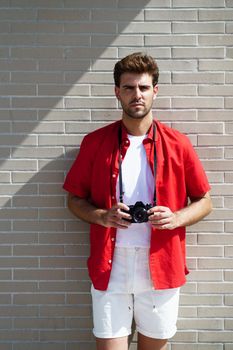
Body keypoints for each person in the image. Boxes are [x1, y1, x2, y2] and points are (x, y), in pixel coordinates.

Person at [63, 52, 212, 350]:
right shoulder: (95, 142)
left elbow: (204, 200)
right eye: (129, 88)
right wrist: (102, 215)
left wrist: (176, 218)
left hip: (161, 264)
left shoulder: (177, 143)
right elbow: (74, 199)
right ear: (117, 92)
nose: (137, 95)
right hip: (110, 264)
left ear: (155, 91)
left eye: (143, 88)